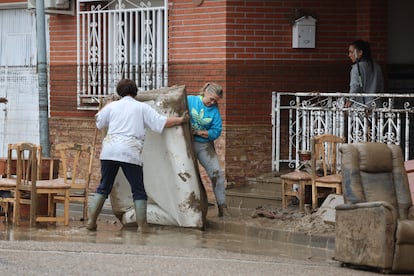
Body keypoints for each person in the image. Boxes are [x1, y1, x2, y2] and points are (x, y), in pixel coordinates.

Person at [87, 79, 188, 232]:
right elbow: (161, 122)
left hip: (109, 151)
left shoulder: (112, 106)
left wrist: (107, 104)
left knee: (104, 187)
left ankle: (91, 222)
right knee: (138, 189)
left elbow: (98, 121)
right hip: (130, 151)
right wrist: (181, 120)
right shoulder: (141, 107)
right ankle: (142, 226)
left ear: (119, 92)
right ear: (135, 92)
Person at [187, 82, 227, 217]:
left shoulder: (215, 111)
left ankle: (222, 207)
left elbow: (216, 131)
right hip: (185, 143)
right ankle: (189, 208)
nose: (213, 102)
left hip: (204, 145)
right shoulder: (190, 100)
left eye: (216, 101)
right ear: (205, 93)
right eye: (211, 99)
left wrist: (198, 132)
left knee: (217, 174)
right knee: (186, 175)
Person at [347, 39, 384, 106]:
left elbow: (355, 88)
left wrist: (349, 103)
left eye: (352, 52)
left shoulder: (356, 68)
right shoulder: (377, 67)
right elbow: (380, 87)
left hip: (360, 107)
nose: (349, 55)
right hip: (375, 106)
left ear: (360, 53)